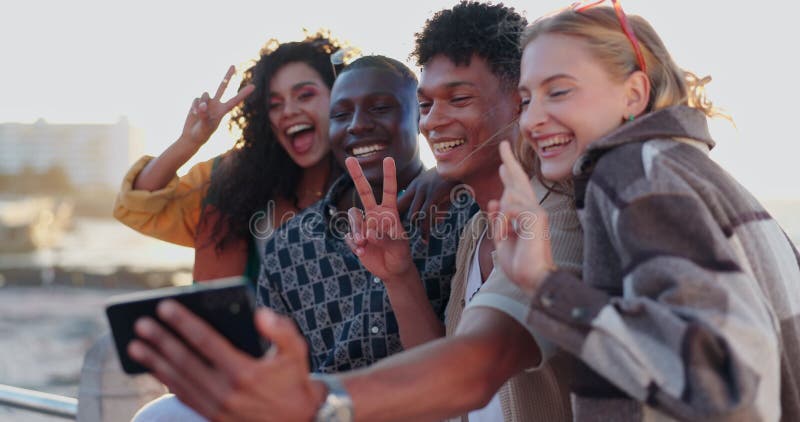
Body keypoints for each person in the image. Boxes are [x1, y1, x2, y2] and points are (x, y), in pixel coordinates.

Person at [127, 3, 581, 421]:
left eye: (458, 99)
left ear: (520, 103)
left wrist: (318, 402)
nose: (434, 120)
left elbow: (479, 366)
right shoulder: (478, 228)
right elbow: (448, 371)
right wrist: (400, 274)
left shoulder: (540, 213)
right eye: (427, 104)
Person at [489, 2, 800, 420]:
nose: (531, 120)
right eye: (526, 99)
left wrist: (545, 284)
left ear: (633, 93)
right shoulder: (694, 172)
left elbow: (723, 382)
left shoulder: (630, 171)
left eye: (559, 91)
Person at [128, 54, 477, 420]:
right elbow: (143, 204)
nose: (358, 125)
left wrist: (448, 172)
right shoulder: (287, 242)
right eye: (341, 114)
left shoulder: (466, 213)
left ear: (422, 117)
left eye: (379, 108)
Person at [113, 31, 349, 282]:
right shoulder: (228, 179)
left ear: (339, 95)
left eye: (305, 95)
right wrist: (189, 142)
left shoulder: (375, 177)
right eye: (274, 104)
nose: (289, 111)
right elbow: (139, 208)